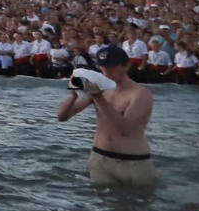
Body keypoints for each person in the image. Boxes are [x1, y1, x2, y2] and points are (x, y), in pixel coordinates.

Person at [57, 44, 156, 187]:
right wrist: (73, 95)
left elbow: (126, 130)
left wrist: (98, 98)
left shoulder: (140, 94)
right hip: (100, 158)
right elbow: (62, 117)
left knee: (138, 206)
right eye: (102, 68)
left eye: (111, 68)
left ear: (126, 66)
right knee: (102, 206)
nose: (106, 73)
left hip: (132, 161)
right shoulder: (101, 89)